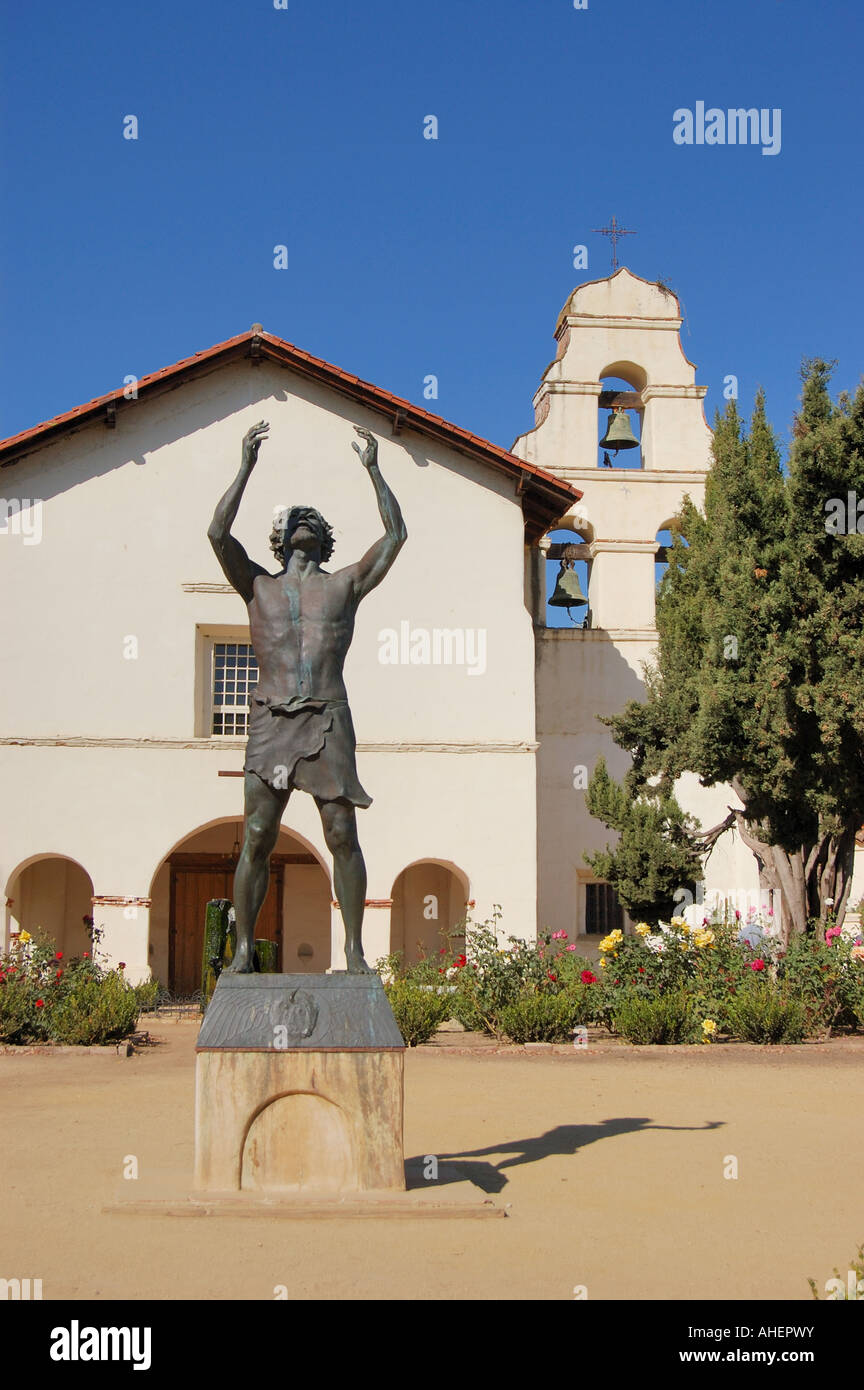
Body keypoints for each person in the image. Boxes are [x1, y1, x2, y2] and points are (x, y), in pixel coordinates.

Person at [207, 420, 406, 972]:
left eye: (312, 519)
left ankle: (355, 949)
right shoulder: (257, 585)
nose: (303, 521)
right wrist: (245, 468)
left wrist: (374, 469)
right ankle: (244, 949)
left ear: (323, 537)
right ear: (281, 537)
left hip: (328, 718)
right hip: (272, 719)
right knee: (257, 833)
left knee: (342, 832)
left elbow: (395, 538)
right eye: (295, 519)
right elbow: (217, 535)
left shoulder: (343, 585)